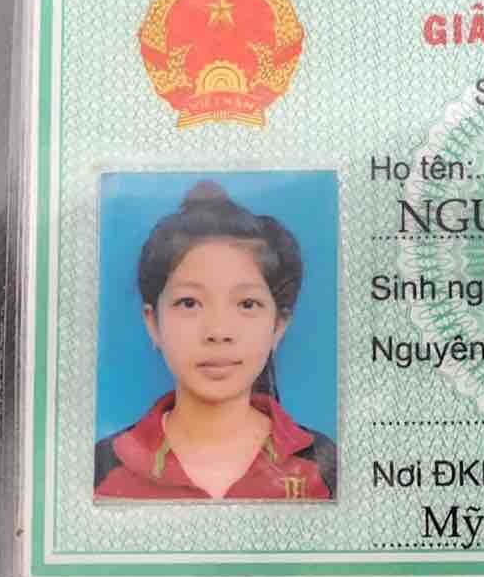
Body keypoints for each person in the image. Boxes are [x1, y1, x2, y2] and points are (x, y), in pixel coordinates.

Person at [94, 180, 337, 500]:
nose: (219, 331)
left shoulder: (323, 466)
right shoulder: (102, 469)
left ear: (278, 326)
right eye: (189, 303)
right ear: (153, 323)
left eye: (247, 304)